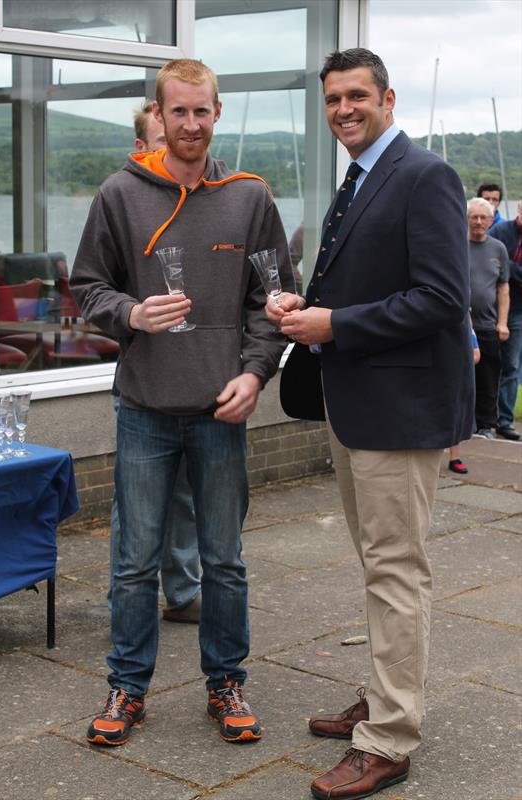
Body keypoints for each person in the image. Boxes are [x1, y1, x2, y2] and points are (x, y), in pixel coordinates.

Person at [266, 48, 474, 800]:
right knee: (379, 564)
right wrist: (299, 309)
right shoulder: (359, 180)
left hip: (399, 412)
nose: (344, 110)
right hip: (356, 406)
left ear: (387, 98)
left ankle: (389, 736)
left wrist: (334, 323)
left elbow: (443, 298)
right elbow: (359, 283)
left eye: (357, 96)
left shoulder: (425, 176)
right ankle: (388, 695)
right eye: (332, 100)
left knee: (395, 571)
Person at [70, 58, 294, 748]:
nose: (191, 124)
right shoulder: (119, 193)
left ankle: (225, 683)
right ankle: (127, 686)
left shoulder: (250, 197)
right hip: (142, 410)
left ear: (217, 114)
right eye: (179, 112)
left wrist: (256, 374)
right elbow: (87, 286)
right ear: (158, 116)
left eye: (203, 111)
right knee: (134, 562)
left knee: (223, 560)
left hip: (221, 411)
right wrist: (132, 315)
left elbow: (275, 299)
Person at [109, 100, 202, 625]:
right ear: (142, 147)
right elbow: (95, 290)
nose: (177, 144)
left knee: (186, 497)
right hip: (142, 382)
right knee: (136, 507)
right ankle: (128, 600)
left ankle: (184, 592)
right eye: (163, 138)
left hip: (199, 382)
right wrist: (133, 313)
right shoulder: (123, 204)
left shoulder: (213, 198)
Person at [467, 197, 510, 438]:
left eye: (484, 218)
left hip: (488, 325)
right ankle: (465, 422)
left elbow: (503, 288)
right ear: (467, 219)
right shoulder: (456, 244)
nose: (479, 222)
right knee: (462, 377)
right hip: (460, 326)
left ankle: (486, 425)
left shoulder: (498, 249)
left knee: (488, 378)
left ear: (491, 221)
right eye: (474, 217)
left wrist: (502, 322)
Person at [490, 199, 522, 441]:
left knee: (511, 366)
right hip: (489, 308)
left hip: (517, 311)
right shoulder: (500, 231)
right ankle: (481, 419)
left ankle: (504, 420)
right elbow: (486, 257)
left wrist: (506, 265)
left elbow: (501, 267)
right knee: (485, 364)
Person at [448, 325, 481, 473]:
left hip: (455, 375)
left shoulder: (467, 327)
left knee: (455, 414)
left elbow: (476, 354)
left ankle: (454, 457)